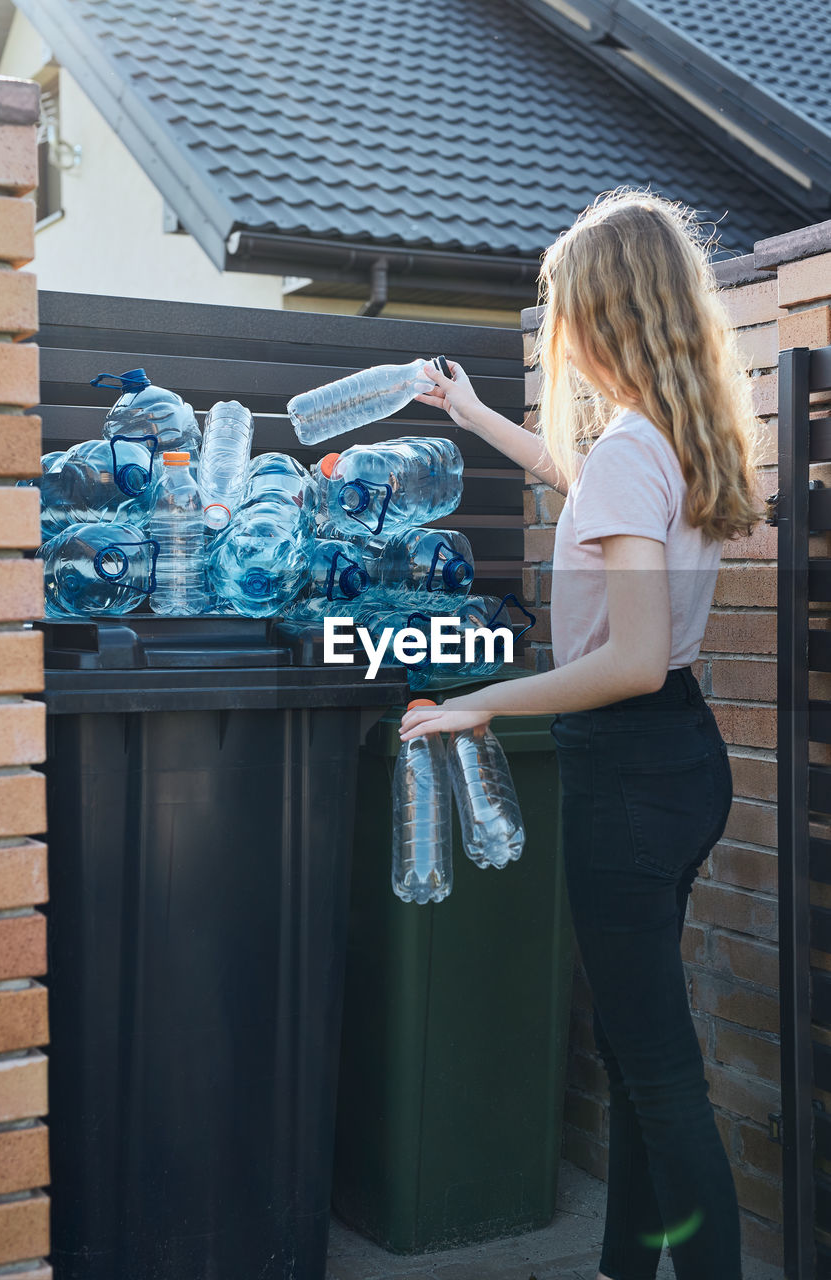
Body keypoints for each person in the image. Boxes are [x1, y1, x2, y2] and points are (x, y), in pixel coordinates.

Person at [399, 189, 759, 1280]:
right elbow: (577, 482)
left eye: (561, 304)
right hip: (682, 762)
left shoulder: (630, 452)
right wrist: (469, 414)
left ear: (602, 312)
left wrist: (480, 701)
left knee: (654, 1068)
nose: (554, 324)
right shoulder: (670, 442)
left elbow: (629, 659)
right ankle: (624, 1265)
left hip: (628, 772)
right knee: (634, 1046)